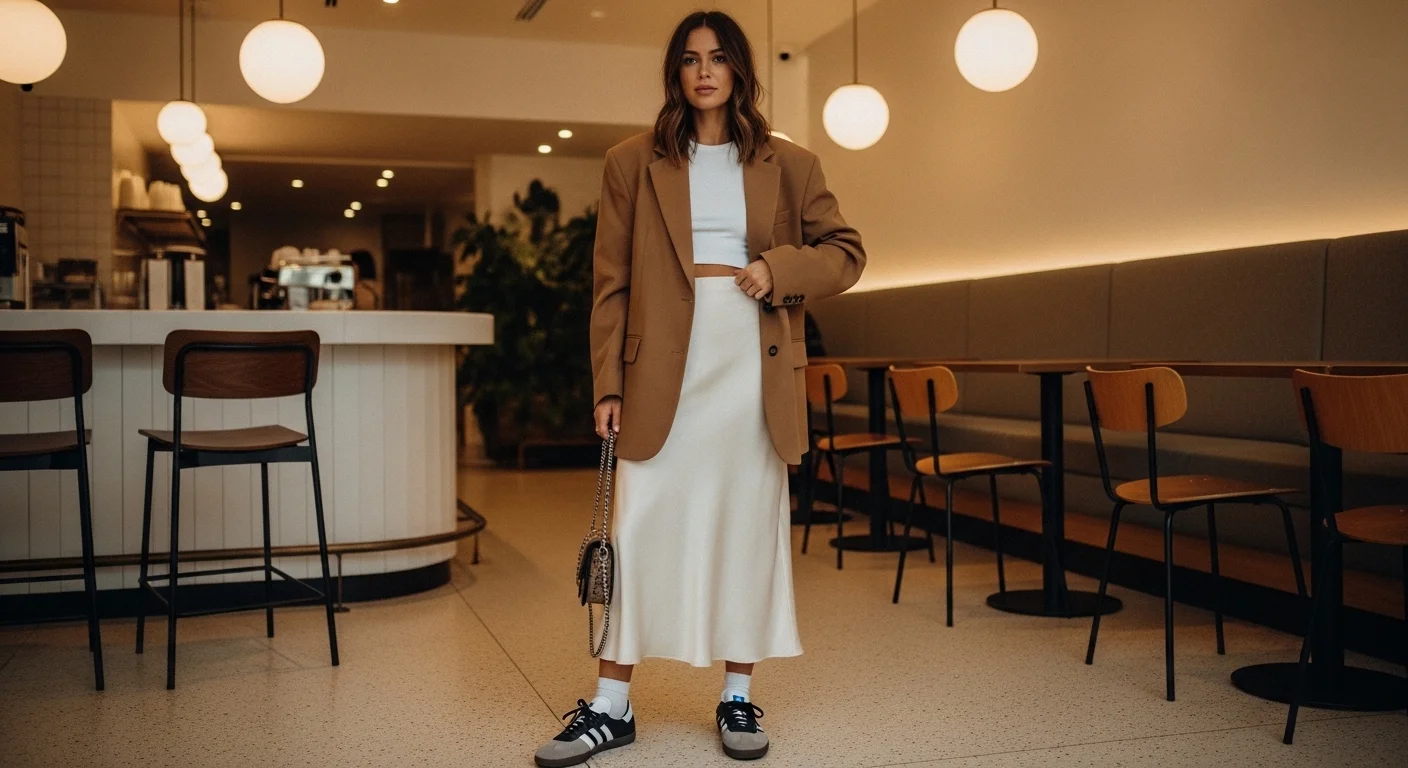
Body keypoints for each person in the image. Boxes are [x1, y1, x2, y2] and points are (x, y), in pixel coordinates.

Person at [534, 11, 865, 766]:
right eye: (689, 59)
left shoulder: (793, 163)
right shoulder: (631, 161)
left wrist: (780, 269)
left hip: (753, 361)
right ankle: (611, 705)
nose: (704, 70)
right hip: (659, 371)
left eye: (718, 58)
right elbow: (610, 283)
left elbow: (845, 252)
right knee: (640, 526)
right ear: (675, 73)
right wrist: (607, 382)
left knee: (745, 526)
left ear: (740, 71)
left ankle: (738, 694)